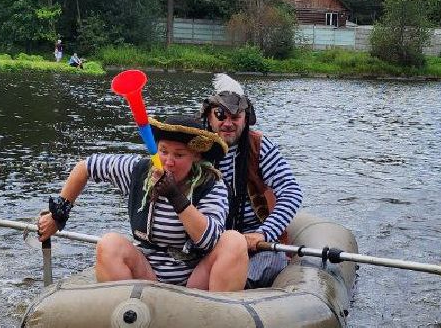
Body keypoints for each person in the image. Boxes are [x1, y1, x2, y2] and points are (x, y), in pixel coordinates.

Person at [37, 116, 248, 291]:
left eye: (179, 155)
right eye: (164, 151)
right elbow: (86, 167)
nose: (169, 161)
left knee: (234, 241)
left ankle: (213, 327)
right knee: (109, 243)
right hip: (147, 276)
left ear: (196, 157)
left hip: (195, 281)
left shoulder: (212, 184)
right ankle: (126, 323)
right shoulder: (138, 170)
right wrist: (59, 214)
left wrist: (176, 197)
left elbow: (209, 241)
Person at [196, 73, 304, 289]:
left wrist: (264, 233)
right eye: (221, 115)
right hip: (207, 242)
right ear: (209, 117)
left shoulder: (260, 147)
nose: (228, 123)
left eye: (235, 117)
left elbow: (291, 193)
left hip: (256, 246)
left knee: (273, 260)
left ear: (245, 119)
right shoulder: (194, 149)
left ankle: (226, 292)